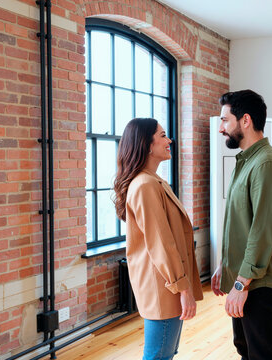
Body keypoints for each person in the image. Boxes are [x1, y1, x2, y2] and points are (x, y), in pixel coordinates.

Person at [211, 90, 272, 360]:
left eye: (225, 120)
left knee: (262, 354)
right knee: (245, 348)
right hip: (246, 279)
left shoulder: (266, 164)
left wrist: (240, 285)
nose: (221, 128)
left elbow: (261, 231)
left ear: (245, 120)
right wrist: (225, 265)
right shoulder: (247, 161)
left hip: (259, 284)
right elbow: (241, 223)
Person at [113, 118, 203, 360]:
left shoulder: (154, 181)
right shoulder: (145, 185)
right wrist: (183, 288)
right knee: (158, 355)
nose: (169, 140)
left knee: (165, 353)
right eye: (163, 135)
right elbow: (161, 244)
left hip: (167, 284)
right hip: (163, 287)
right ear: (147, 145)